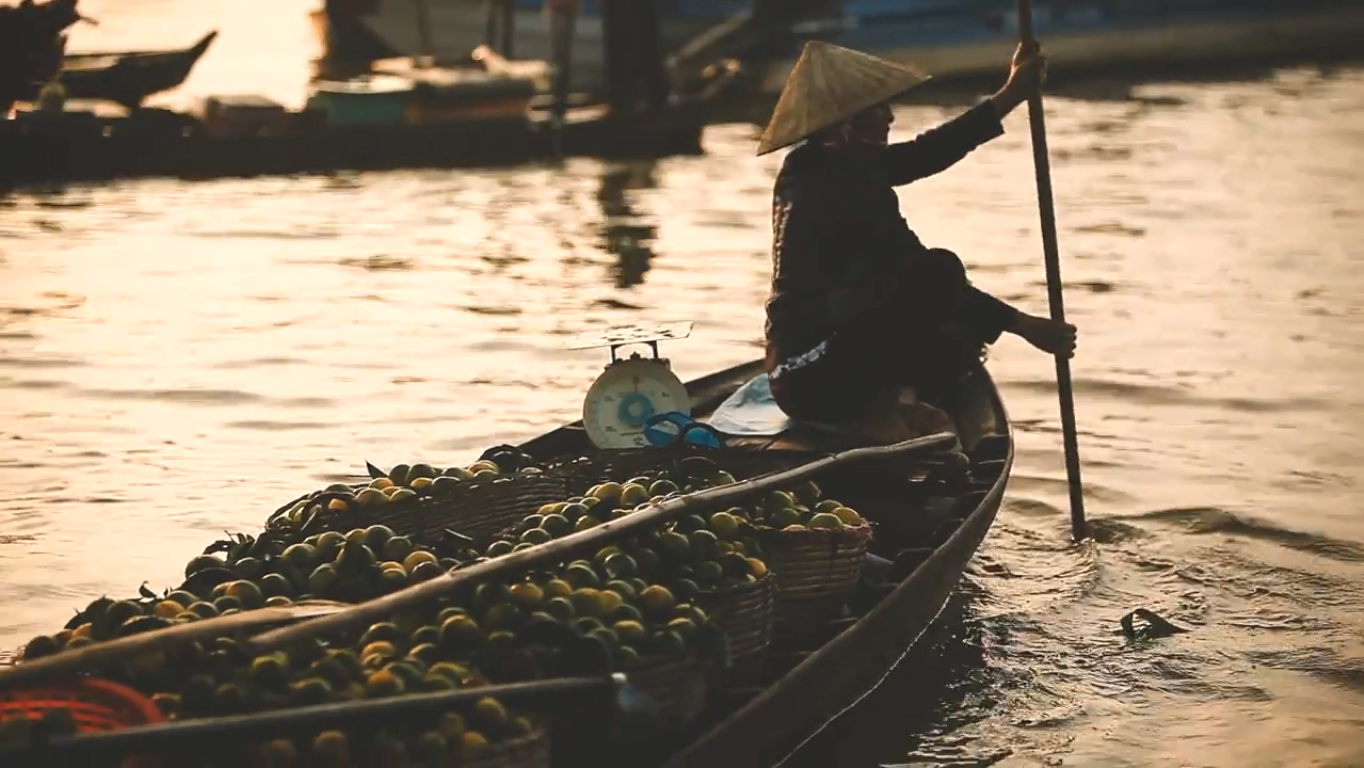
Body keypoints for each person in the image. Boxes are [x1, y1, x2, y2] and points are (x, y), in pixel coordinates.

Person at [756, 41, 1078, 443]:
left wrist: (1011, 94)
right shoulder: (844, 185)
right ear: (845, 125)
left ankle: (891, 402)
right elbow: (921, 271)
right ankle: (877, 413)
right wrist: (1024, 326)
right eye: (878, 109)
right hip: (813, 375)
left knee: (951, 330)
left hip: (791, 371)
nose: (890, 116)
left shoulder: (810, 164)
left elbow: (925, 153)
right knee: (939, 273)